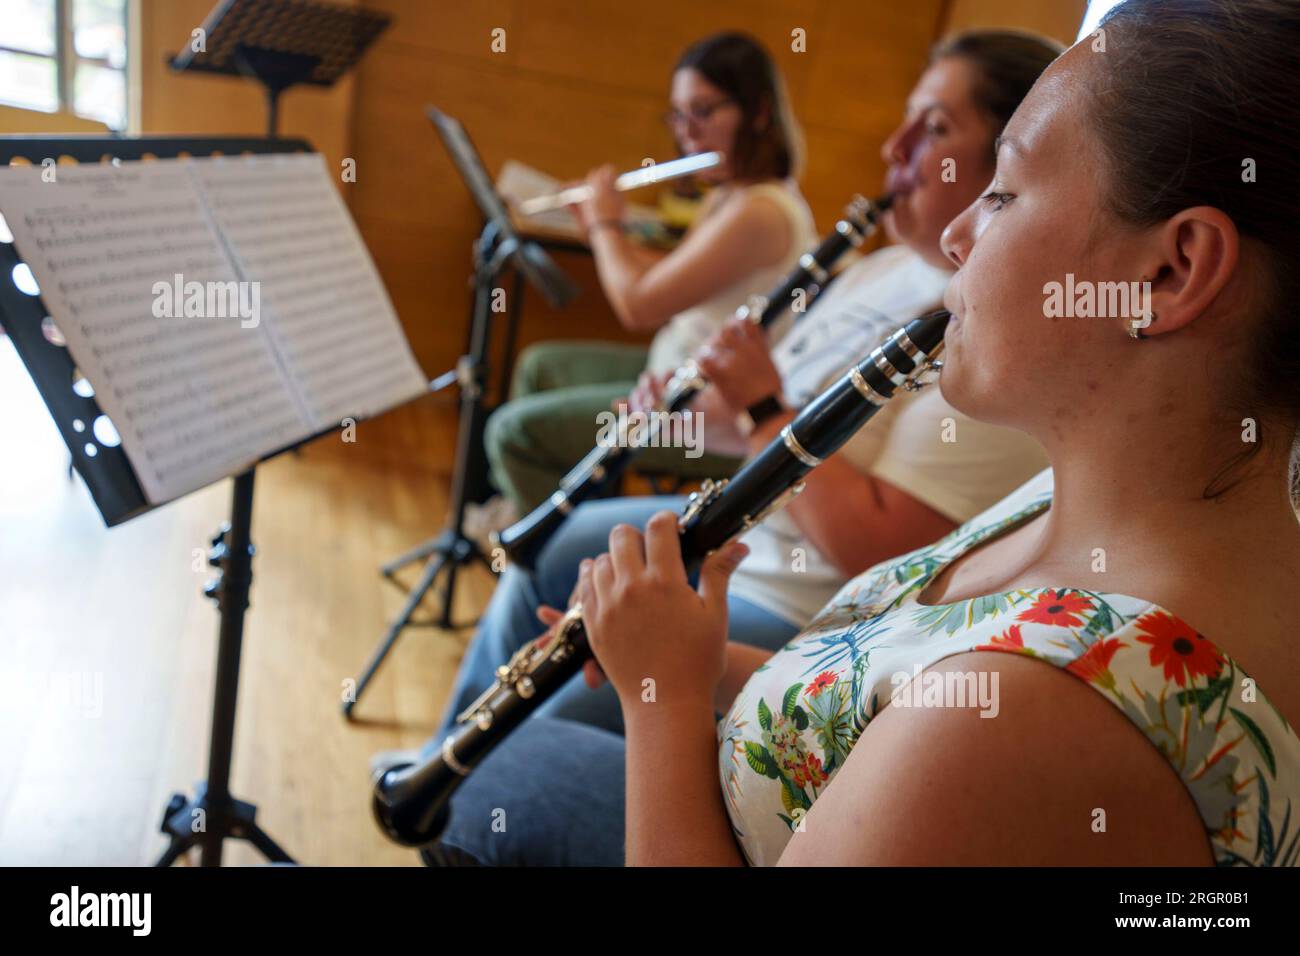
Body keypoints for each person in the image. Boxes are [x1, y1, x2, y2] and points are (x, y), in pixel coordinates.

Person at [568, 0, 1300, 866]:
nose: (957, 236)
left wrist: (660, 707)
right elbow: (883, 698)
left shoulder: (1035, 715)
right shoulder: (1078, 499)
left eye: (1004, 191)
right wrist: (692, 661)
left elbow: (948, 728)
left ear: (1169, 272)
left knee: (498, 789)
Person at [404, 30, 1064, 865]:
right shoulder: (878, 267)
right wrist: (694, 414)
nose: (892, 150)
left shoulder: (978, 327)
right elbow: (771, 425)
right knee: (546, 568)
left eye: (933, 130)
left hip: (794, 589)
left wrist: (755, 406)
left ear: (1003, 163)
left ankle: (457, 787)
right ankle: (438, 767)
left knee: (531, 743)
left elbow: (872, 530)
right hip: (745, 537)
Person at [483, 32, 818, 518]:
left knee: (513, 434)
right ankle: (528, 510)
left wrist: (604, 226)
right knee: (539, 365)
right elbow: (669, 278)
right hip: (669, 373)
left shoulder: (762, 211)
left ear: (758, 112)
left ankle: (555, 557)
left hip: (704, 416)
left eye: (704, 111)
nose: (688, 132)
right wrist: (601, 228)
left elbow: (638, 306)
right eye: (679, 115)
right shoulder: (730, 194)